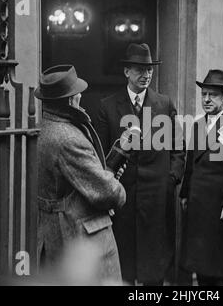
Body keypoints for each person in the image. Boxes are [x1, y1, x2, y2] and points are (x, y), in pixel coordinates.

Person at [95, 43, 185, 286]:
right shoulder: (108, 105)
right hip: (122, 196)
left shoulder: (164, 104)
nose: (145, 75)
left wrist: (171, 179)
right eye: (139, 70)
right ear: (126, 72)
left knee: (153, 263)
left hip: (156, 196)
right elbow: (101, 153)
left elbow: (178, 146)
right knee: (124, 262)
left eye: (149, 70)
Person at [35, 65, 126, 285]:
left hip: (58, 233)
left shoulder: (46, 128)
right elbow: (109, 193)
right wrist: (115, 185)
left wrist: (108, 168)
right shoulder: (67, 138)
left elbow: (77, 180)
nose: (80, 97)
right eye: (77, 94)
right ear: (69, 100)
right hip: (80, 238)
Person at [179, 69, 223, 286]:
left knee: (218, 265)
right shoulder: (198, 124)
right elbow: (191, 163)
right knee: (200, 265)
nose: (206, 100)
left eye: (213, 95)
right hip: (198, 203)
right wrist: (185, 193)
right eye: (204, 94)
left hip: (220, 204)